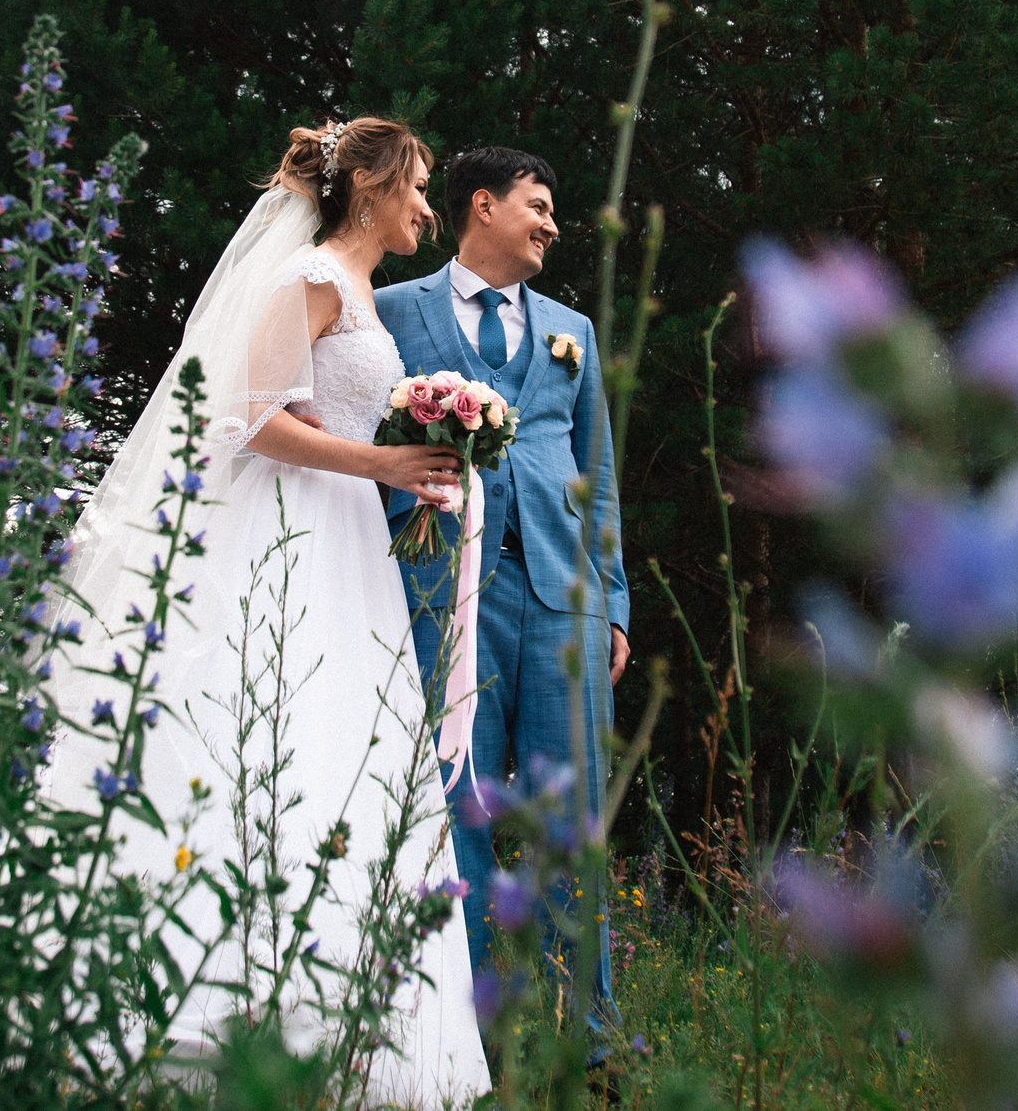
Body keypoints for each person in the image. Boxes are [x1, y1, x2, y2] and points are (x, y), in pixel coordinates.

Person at [47, 117, 489, 1107]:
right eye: (417, 187)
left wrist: (415, 460)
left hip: (344, 537)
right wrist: (381, 459)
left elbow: (329, 410)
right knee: (262, 729)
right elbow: (246, 413)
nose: (428, 206)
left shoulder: (359, 291)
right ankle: (200, 1022)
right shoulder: (313, 279)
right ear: (368, 188)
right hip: (282, 531)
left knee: (340, 750)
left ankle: (330, 1026)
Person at [378, 145, 628, 1038]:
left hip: (565, 600)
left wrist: (617, 601)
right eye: (539, 203)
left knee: (573, 815)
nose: (553, 223)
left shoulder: (574, 331)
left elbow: (596, 474)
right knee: (456, 810)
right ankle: (464, 1036)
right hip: (441, 596)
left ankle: (586, 1040)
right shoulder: (391, 310)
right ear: (482, 205)